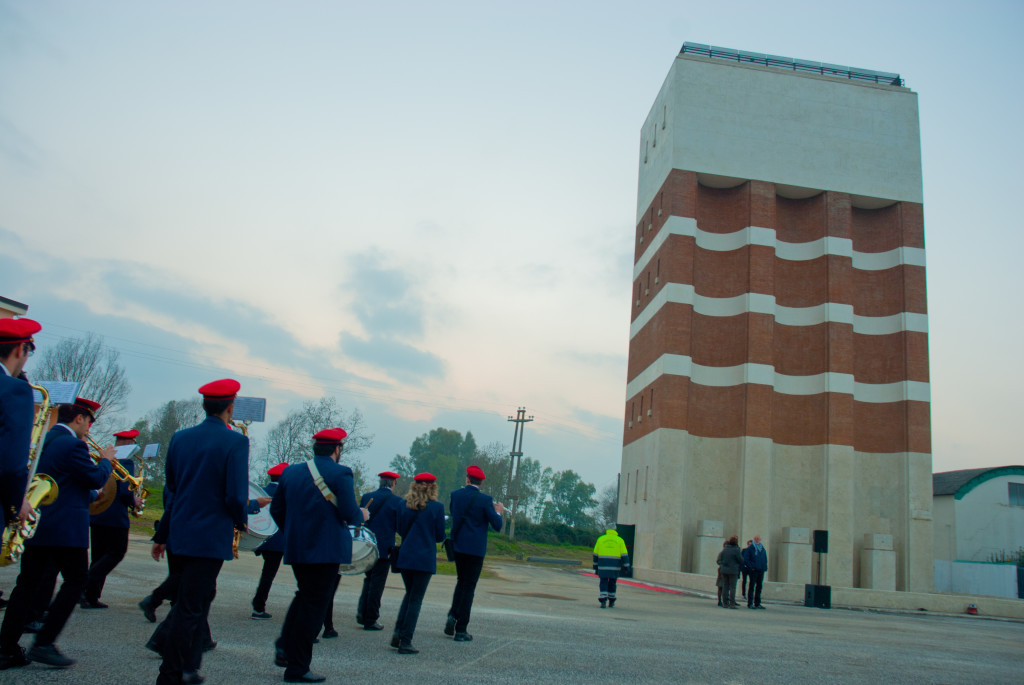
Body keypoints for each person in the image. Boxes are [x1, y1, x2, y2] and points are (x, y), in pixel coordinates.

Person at [0, 397, 114, 669]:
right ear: (78, 419)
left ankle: (5, 648)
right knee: (77, 580)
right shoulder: (73, 444)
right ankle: (44, 642)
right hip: (66, 528)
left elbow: (64, 479)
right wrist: (106, 461)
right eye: (88, 422)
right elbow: (96, 477)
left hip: (40, 523)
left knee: (26, 585)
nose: (88, 428)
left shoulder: (46, 440)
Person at [152, 379, 249, 685]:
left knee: (199, 599)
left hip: (181, 531)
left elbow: (173, 489)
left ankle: (189, 666)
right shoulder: (236, 441)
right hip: (209, 536)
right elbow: (235, 495)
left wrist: (162, 534)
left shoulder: (180, 438)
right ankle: (170, 674)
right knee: (191, 607)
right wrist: (241, 520)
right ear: (230, 407)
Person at [271, 428, 367, 684]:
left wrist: (293, 532)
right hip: (325, 551)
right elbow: (348, 513)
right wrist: (361, 515)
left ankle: (284, 646)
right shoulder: (341, 472)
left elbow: (277, 509)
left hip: (298, 547)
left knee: (304, 596)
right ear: (337, 449)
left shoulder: (291, 472)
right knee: (314, 607)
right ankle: (297, 666)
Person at [80, 428, 145, 609]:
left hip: (97, 514)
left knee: (98, 556)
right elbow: (125, 492)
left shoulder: (103, 460)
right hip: (115, 517)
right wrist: (135, 501)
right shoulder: (126, 463)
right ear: (127, 443)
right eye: (132, 442)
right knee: (117, 552)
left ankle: (90, 596)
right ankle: (86, 585)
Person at [445, 465, 504, 642]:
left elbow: (455, 512)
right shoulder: (485, 500)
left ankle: (452, 615)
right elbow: (497, 525)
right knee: (469, 587)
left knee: (460, 582)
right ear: (481, 482)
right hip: (475, 550)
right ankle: (461, 629)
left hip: (459, 546)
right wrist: (497, 511)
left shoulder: (456, 495)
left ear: (467, 479)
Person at [390, 472, 446, 654]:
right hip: (424, 558)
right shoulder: (437, 508)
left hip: (406, 556)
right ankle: (406, 640)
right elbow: (439, 536)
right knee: (415, 599)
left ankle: (398, 634)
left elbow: (400, 529)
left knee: (409, 595)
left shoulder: (403, 505)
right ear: (432, 488)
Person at [356, 470, 404, 631]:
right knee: (378, 583)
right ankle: (371, 618)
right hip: (384, 547)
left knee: (368, 579)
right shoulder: (397, 502)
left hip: (367, 545)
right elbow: (399, 525)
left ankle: (362, 613)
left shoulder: (367, 497)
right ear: (393, 483)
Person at [250, 462, 288, 621]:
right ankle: (258, 606)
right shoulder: (287, 493)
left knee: (267, 573)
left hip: (262, 538)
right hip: (278, 542)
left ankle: (259, 604)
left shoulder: (261, 491)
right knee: (268, 575)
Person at [592, 525, 630, 608]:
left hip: (603, 566)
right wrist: (627, 567)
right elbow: (624, 555)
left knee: (603, 581)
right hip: (614, 566)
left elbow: (595, 554)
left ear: (607, 529)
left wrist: (595, 566)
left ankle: (603, 599)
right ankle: (611, 600)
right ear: (615, 530)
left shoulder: (600, 539)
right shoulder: (620, 540)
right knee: (612, 582)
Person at [716, 535, 744, 609]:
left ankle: (725, 603)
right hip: (733, 570)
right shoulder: (736, 550)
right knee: (732, 588)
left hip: (724, 570)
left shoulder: (725, 549)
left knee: (725, 586)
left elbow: (719, 559)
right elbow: (741, 560)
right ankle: (732, 604)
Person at [743, 534, 768, 610]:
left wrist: (764, 567)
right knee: (752, 586)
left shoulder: (762, 548)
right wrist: (751, 567)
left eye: (758, 538)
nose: (757, 539)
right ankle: (750, 603)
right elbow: (746, 559)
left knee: (759, 587)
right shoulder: (751, 548)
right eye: (755, 538)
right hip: (753, 570)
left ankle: (757, 603)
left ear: (760, 539)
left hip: (761, 570)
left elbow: (765, 559)